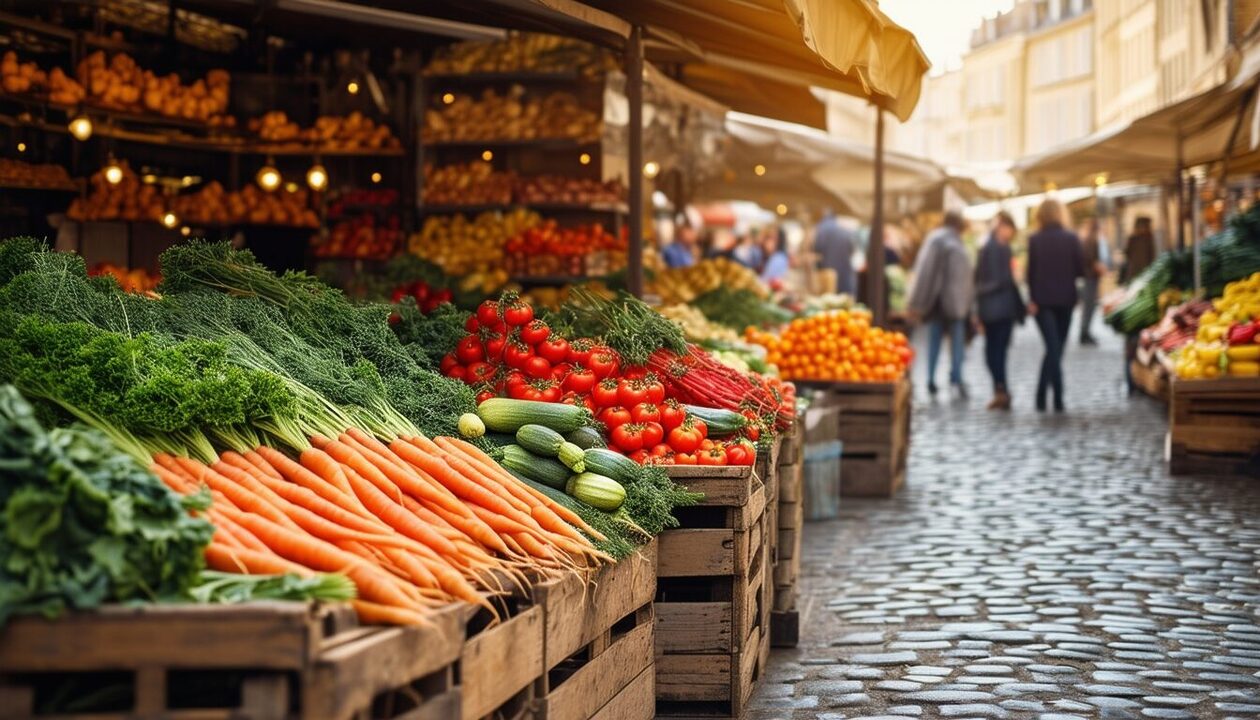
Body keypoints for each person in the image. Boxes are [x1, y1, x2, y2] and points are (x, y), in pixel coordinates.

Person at [908, 210, 974, 399]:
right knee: (955, 339)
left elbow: (925, 273)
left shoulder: (936, 239)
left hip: (939, 301)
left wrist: (916, 303)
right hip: (955, 302)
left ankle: (933, 378)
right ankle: (955, 377)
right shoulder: (955, 242)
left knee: (935, 340)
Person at [1026, 198, 1084, 412]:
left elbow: (1030, 274)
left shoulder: (1035, 240)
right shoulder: (1071, 238)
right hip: (1065, 301)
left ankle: (1042, 396)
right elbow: (1080, 269)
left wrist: (1031, 298)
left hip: (1042, 303)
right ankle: (1057, 398)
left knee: (1053, 348)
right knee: (1056, 348)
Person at [974, 211, 1024, 410]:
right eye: (1010, 229)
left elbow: (988, 279)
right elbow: (1000, 279)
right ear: (1002, 227)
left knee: (995, 352)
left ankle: (1001, 390)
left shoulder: (994, 247)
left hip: (996, 308)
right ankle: (1001, 390)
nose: (1010, 234)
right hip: (998, 308)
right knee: (996, 352)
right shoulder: (996, 248)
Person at [1078, 218, 1108, 345]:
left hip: (1090, 277)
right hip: (1090, 277)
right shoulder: (1091, 240)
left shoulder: (1090, 239)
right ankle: (1084, 333)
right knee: (1088, 307)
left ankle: (1085, 332)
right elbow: (1090, 259)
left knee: (1089, 307)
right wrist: (1101, 269)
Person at [814, 211, 857, 295]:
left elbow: (818, 248)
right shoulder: (845, 232)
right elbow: (852, 249)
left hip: (828, 270)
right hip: (845, 270)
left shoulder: (821, 229)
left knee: (830, 297)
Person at [1120, 216, 1157, 284]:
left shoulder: (1147, 239)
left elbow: (1127, 253)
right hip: (1138, 271)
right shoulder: (1137, 238)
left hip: (1141, 271)